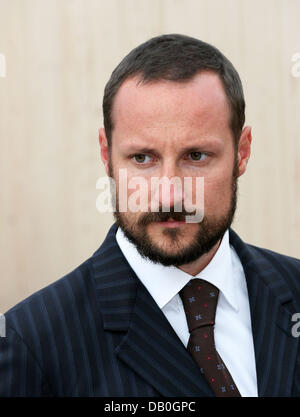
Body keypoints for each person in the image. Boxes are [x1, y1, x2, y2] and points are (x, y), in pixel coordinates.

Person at [1, 34, 300, 397]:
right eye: (142, 158)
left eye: (196, 156)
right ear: (106, 154)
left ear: (242, 152)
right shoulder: (32, 342)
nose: (170, 194)